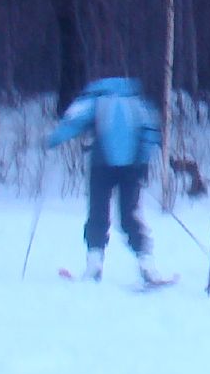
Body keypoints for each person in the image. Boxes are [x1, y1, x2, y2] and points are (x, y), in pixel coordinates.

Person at [47, 74, 175, 288]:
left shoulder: (95, 97)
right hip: (131, 168)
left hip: (101, 166)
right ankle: (147, 266)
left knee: (97, 213)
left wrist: (54, 139)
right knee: (130, 215)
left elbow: (73, 120)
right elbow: (152, 131)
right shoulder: (137, 100)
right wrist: (143, 161)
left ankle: (94, 267)